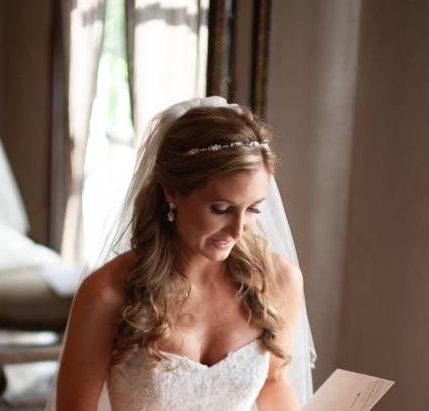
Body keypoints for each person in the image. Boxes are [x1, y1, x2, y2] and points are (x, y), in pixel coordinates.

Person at [53, 97, 316, 410]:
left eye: (254, 209)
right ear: (173, 191)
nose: (238, 229)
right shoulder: (106, 294)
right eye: (221, 209)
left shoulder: (279, 280)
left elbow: (274, 383)